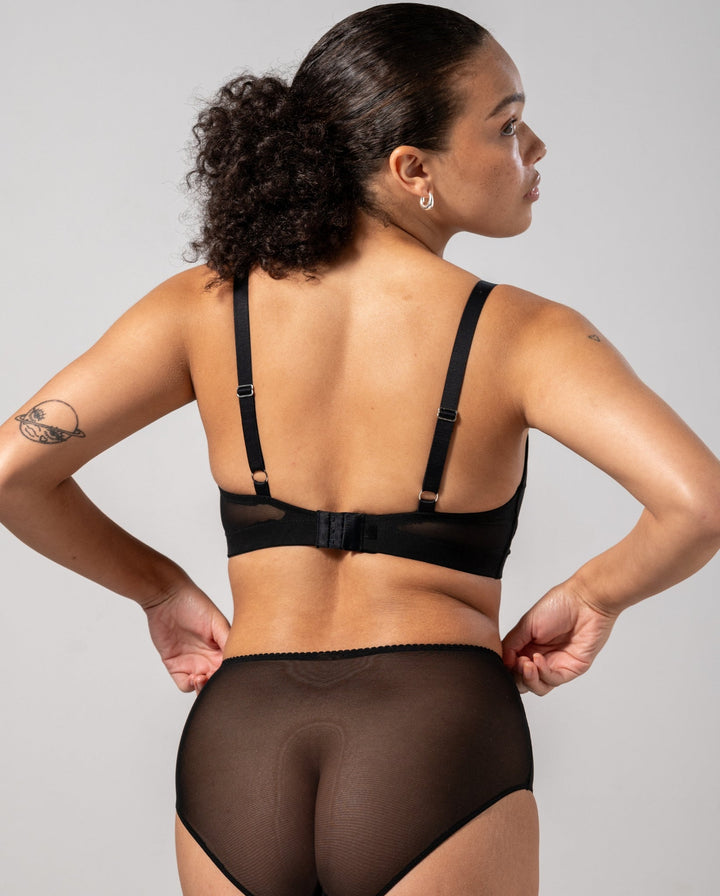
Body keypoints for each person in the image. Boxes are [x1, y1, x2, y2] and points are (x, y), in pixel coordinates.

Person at [1, 3, 719, 894]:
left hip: (241, 738)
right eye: (506, 126)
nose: (535, 148)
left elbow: (14, 472)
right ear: (413, 168)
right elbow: (699, 504)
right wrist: (594, 594)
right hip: (434, 731)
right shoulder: (527, 334)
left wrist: (158, 588)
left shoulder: (201, 306)